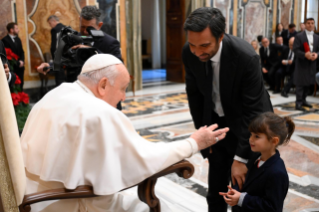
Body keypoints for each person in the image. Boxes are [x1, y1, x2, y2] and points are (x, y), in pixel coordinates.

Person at [21, 54, 229, 212]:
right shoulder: (99, 113)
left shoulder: (57, 93)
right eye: (123, 88)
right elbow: (146, 158)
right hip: (73, 204)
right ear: (103, 85)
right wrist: (194, 143)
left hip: (38, 198)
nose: (123, 98)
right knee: (161, 207)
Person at [182, 7, 273, 212]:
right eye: (192, 44)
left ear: (220, 36)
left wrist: (241, 158)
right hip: (218, 127)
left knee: (242, 196)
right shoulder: (190, 52)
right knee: (215, 194)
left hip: (249, 127)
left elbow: (254, 112)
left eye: (204, 45)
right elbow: (195, 97)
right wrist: (205, 138)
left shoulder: (245, 57)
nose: (197, 52)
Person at [38, 5, 123, 109]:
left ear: (99, 25)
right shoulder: (74, 38)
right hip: (78, 102)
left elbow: (118, 69)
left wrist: (92, 52)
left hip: (103, 103)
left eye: (90, 28)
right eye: (83, 27)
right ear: (79, 20)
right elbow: (66, 60)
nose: (86, 31)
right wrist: (49, 66)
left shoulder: (110, 43)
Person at [219, 112, 294, 211]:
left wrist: (242, 199)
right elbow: (251, 186)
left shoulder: (277, 173)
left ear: (274, 141)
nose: (250, 139)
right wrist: (235, 192)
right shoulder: (257, 158)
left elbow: (272, 207)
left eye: (257, 136)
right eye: (251, 134)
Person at [293, 18, 319, 110]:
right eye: (308, 23)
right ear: (305, 24)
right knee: (300, 84)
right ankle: (298, 103)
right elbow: (295, 50)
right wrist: (305, 55)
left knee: (308, 83)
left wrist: (317, 55)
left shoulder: (317, 37)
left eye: (312, 23)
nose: (310, 25)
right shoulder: (299, 36)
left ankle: (304, 100)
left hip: (312, 64)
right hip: (302, 63)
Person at [2, 22, 25, 90]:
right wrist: (17, 63)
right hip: (12, 67)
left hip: (20, 67)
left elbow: (22, 52)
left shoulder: (18, 39)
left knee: (21, 84)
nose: (18, 30)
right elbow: (7, 55)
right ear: (11, 30)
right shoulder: (4, 40)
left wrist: (22, 61)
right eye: (16, 28)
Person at [47, 15, 66, 86]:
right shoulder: (66, 28)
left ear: (54, 21)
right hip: (67, 57)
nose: (50, 25)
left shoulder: (55, 30)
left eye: (50, 23)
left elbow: (54, 47)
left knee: (59, 79)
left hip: (58, 58)